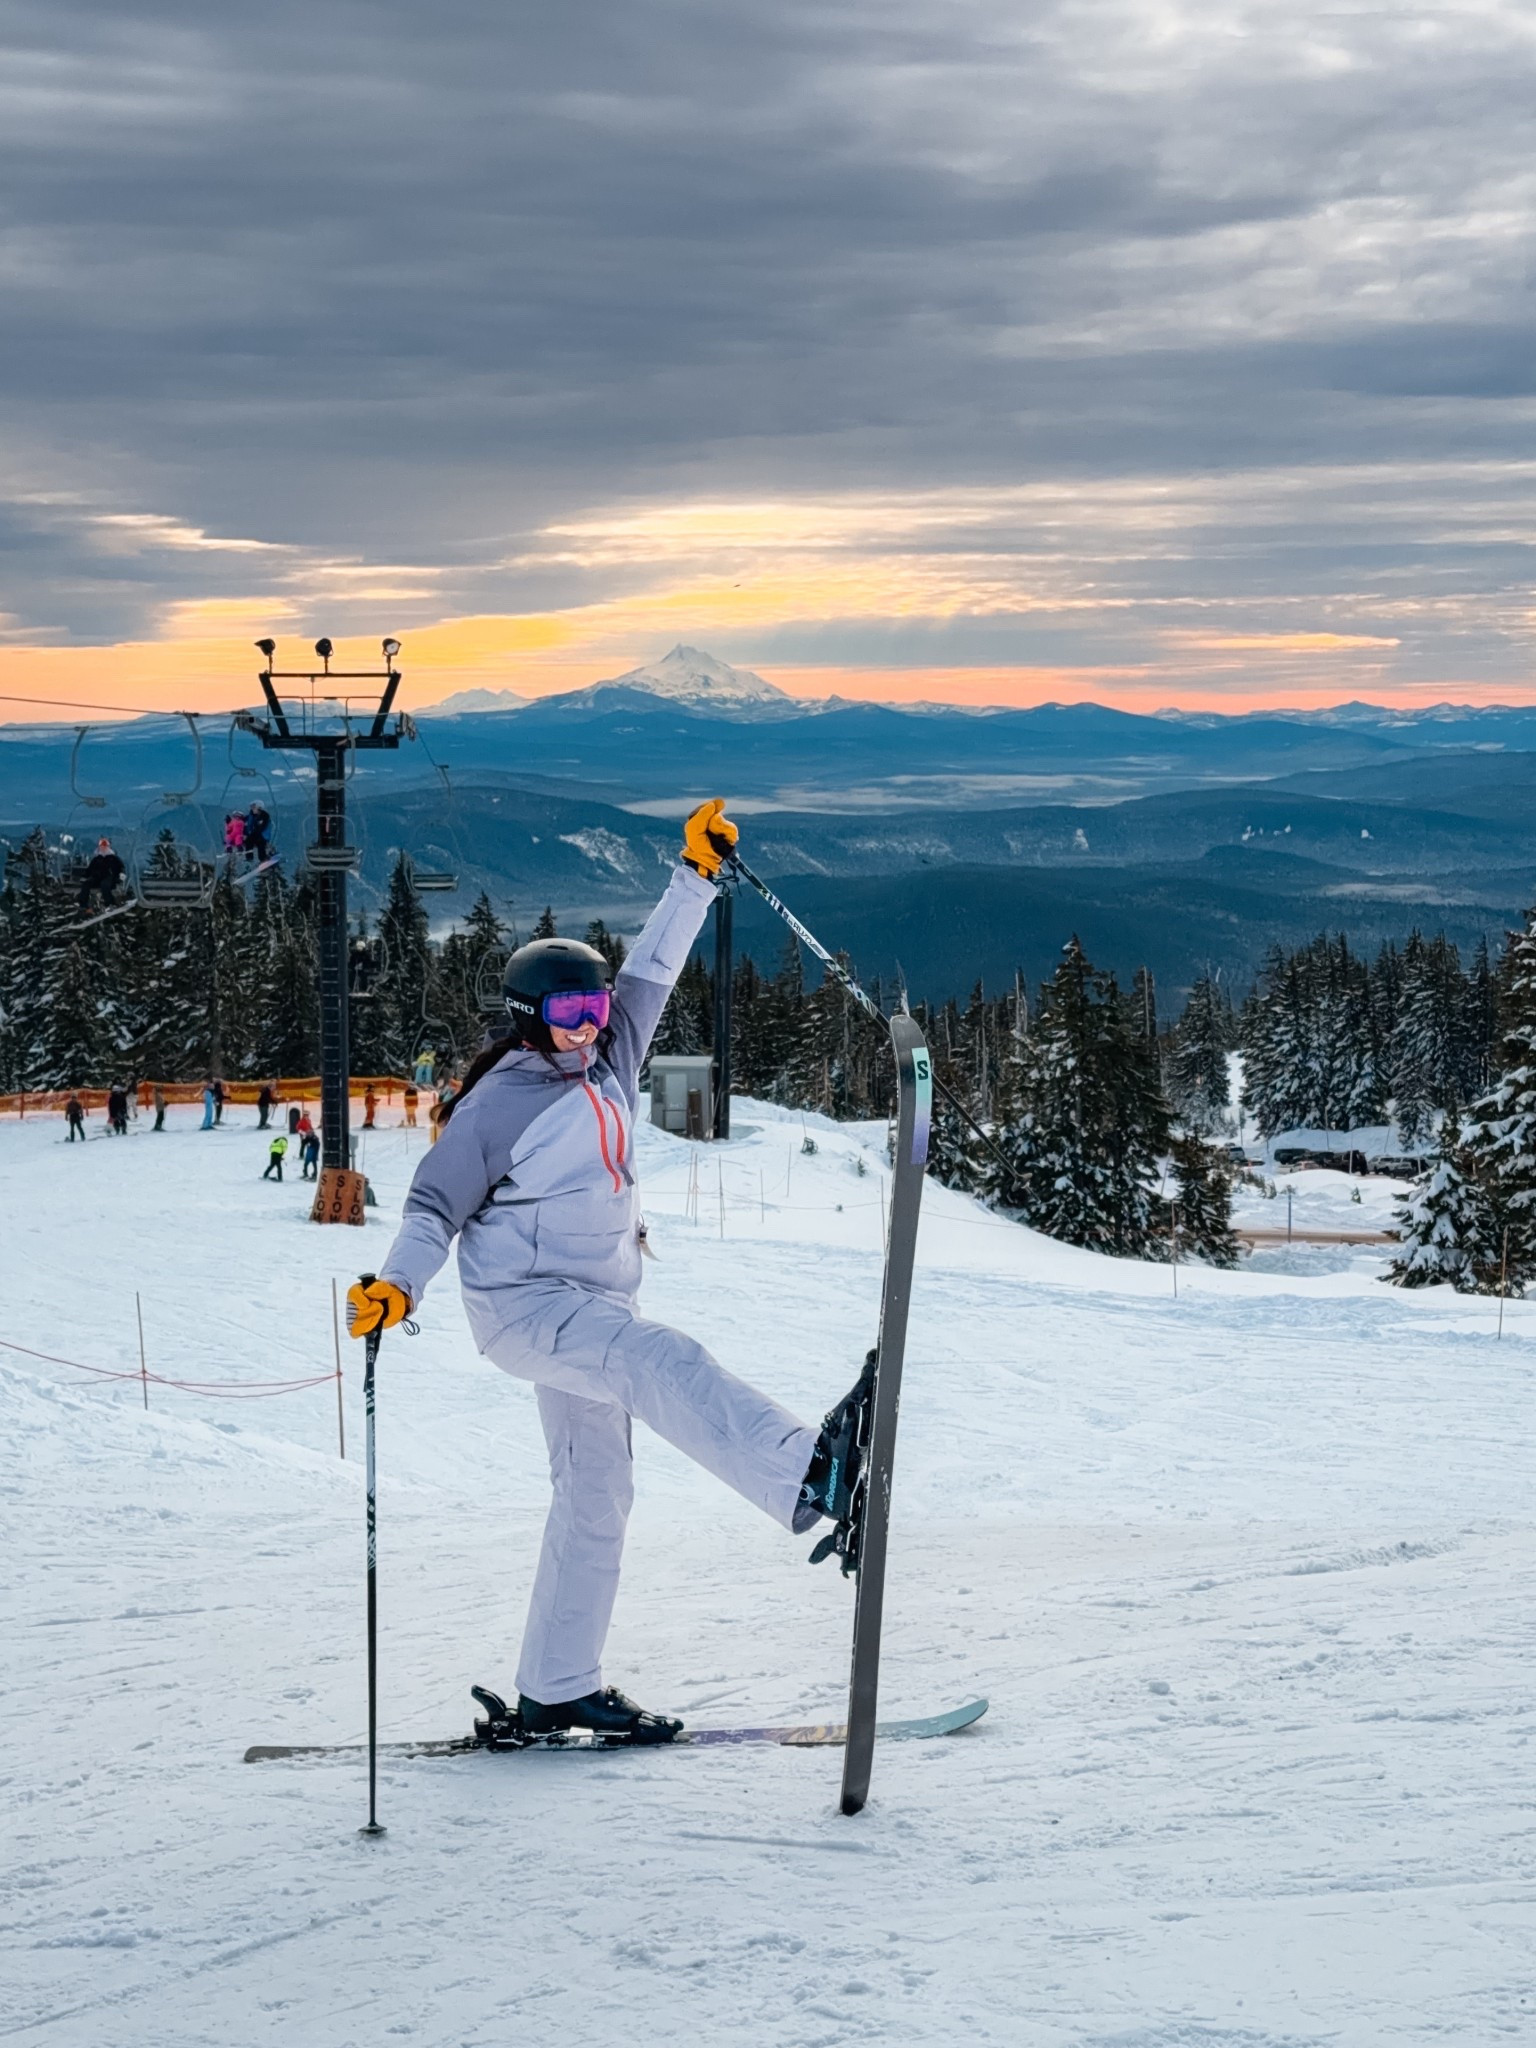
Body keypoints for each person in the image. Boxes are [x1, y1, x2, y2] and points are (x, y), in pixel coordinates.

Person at [347, 800, 865, 1748]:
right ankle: (808, 1476)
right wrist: (397, 1286)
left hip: (593, 1305)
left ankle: (556, 1687)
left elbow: (653, 971)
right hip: (526, 1313)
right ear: (527, 1020)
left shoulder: (610, 1058)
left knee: (597, 1494)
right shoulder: (498, 1103)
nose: (589, 1029)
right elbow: (431, 1208)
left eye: (592, 1012)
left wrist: (695, 875)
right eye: (567, 1014)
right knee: (660, 1362)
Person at [77, 838, 125, 913]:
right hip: (97, 877)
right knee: (86, 884)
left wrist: (121, 875)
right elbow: (90, 869)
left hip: (109, 877)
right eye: (102, 847)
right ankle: (83, 904)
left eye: (105, 847)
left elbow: (121, 867)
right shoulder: (97, 859)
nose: (103, 849)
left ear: (108, 847)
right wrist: (84, 876)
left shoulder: (113, 858)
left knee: (105, 885)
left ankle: (110, 904)